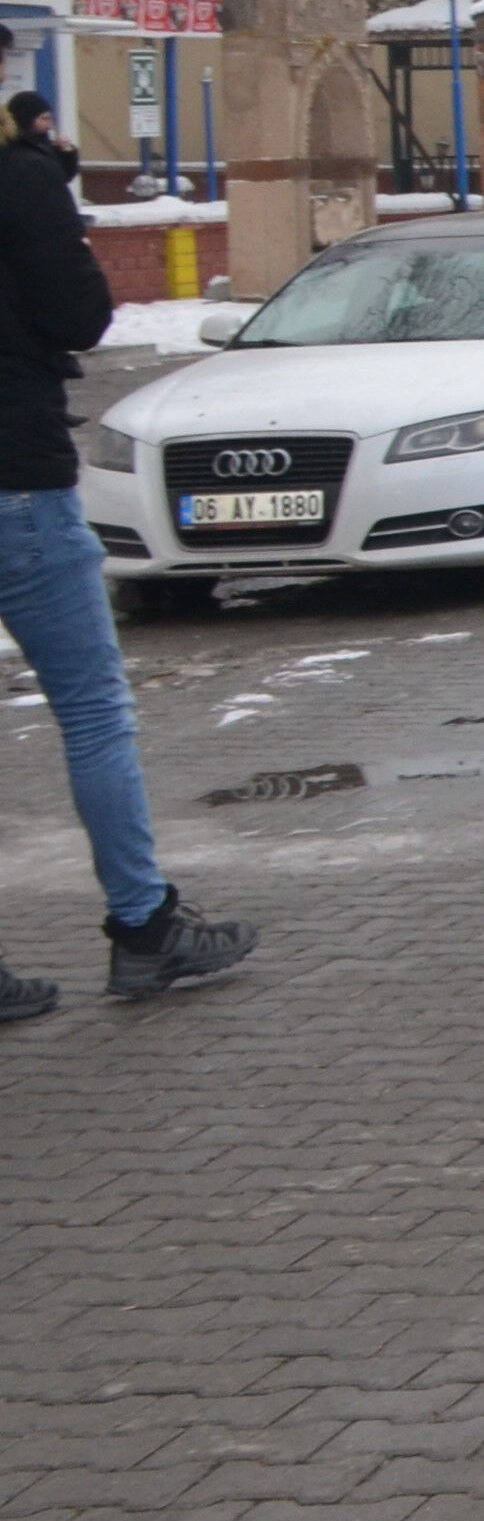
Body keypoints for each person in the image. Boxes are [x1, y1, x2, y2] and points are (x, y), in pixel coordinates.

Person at [0, 93, 252, 1011]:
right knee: (93, 713)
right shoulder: (20, 181)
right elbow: (79, 316)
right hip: (15, 484)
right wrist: (48, 196)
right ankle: (145, 930)